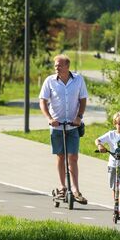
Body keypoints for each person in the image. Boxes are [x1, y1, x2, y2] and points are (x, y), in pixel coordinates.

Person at [39, 54, 88, 204]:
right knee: (60, 156)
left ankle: (75, 189)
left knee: (73, 157)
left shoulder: (78, 79)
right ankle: (62, 187)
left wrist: (79, 117)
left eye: (59, 65)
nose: (56, 68)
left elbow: (83, 99)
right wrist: (49, 119)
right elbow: (43, 101)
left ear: (67, 66)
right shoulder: (50, 81)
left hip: (73, 125)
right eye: (55, 65)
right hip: (57, 126)